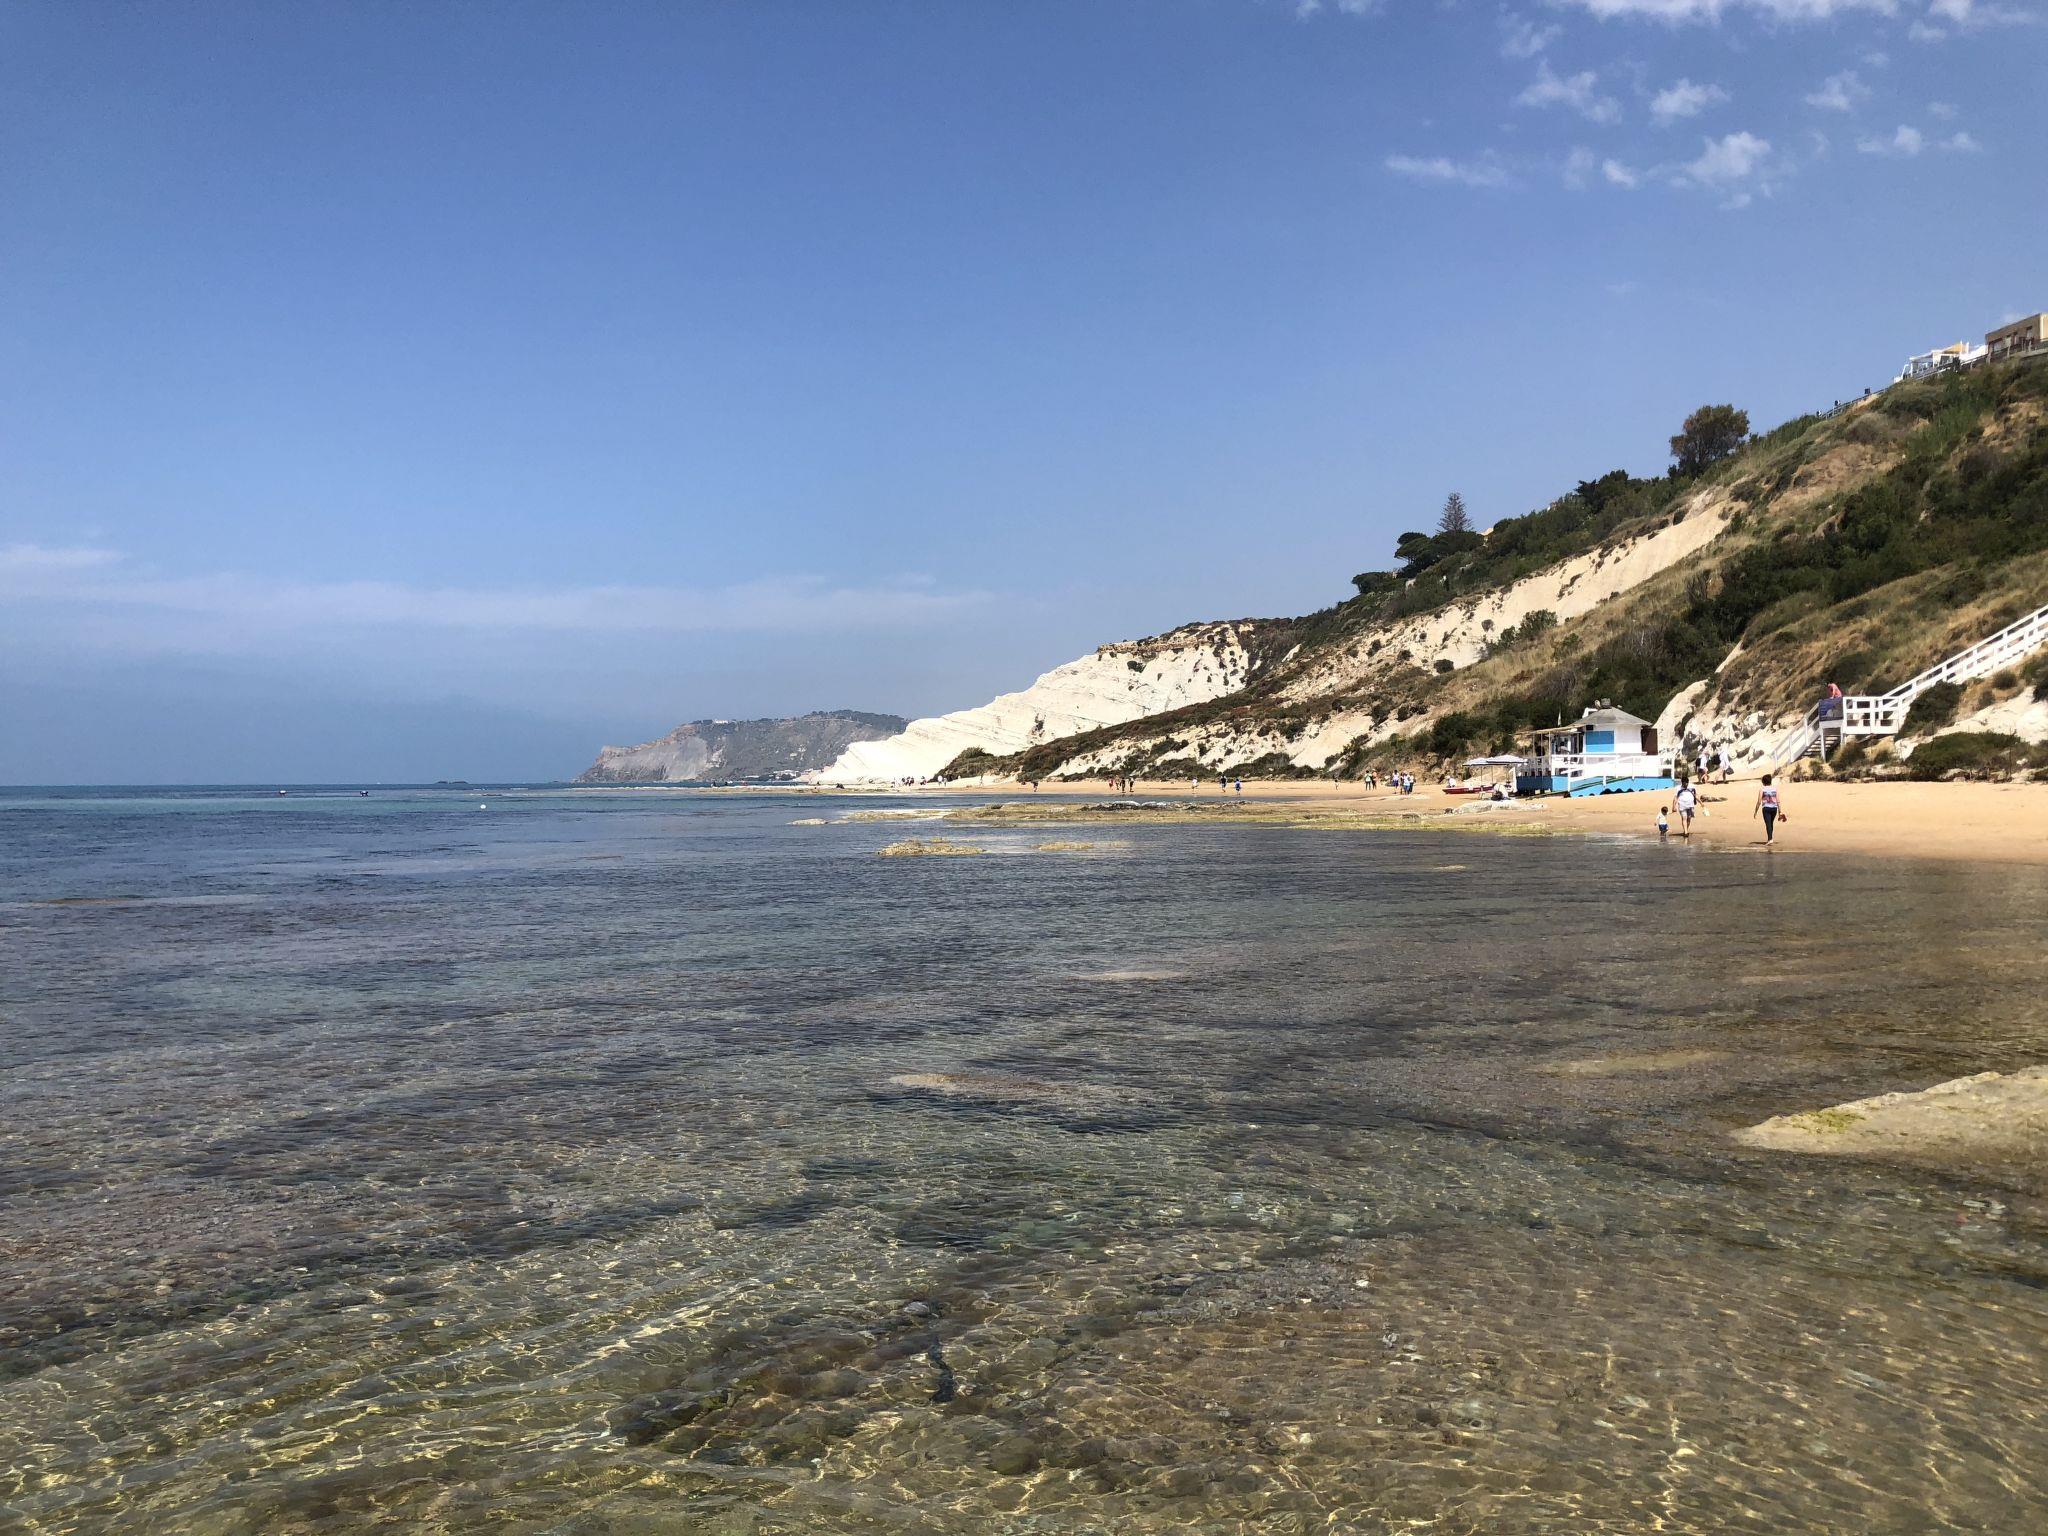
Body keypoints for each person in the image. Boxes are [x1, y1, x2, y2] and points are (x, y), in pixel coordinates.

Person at [1754, 774, 1785, 846]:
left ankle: (1770, 839)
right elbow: (1778, 801)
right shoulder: (1775, 789)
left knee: (1768, 824)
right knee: (1770, 824)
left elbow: (1759, 802)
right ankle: (1770, 838)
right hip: (1774, 808)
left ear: (1763, 782)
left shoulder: (1762, 789)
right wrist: (1780, 812)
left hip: (1766, 809)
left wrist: (1755, 812)